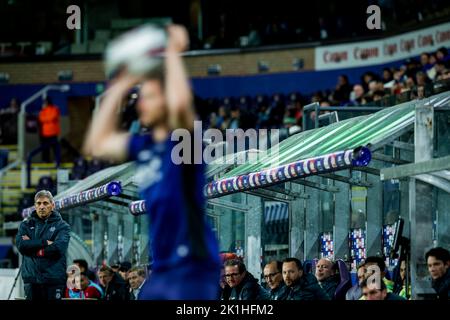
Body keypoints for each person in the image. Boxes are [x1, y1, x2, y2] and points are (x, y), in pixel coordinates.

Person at [83, 24, 221, 300]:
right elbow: (96, 142)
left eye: (150, 96)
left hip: (192, 266)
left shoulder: (184, 142)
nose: (141, 103)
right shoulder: (145, 148)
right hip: (163, 269)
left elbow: (183, 107)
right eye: (140, 98)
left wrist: (171, 53)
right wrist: (119, 84)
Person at [15, 190, 71, 300]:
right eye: (38, 203)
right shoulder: (26, 225)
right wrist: (45, 242)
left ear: (52, 205)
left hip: (53, 279)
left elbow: (57, 249)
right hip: (32, 280)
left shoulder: (63, 226)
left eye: (45, 203)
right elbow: (21, 246)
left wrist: (31, 247)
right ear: (34, 206)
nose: (41, 207)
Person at [38, 97, 61, 164]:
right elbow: (41, 119)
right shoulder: (43, 110)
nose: (44, 104)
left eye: (45, 102)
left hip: (53, 133)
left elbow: (52, 117)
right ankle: (45, 160)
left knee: (55, 148)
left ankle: (57, 161)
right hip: (45, 133)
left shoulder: (54, 109)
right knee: (45, 148)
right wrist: (47, 119)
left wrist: (46, 119)